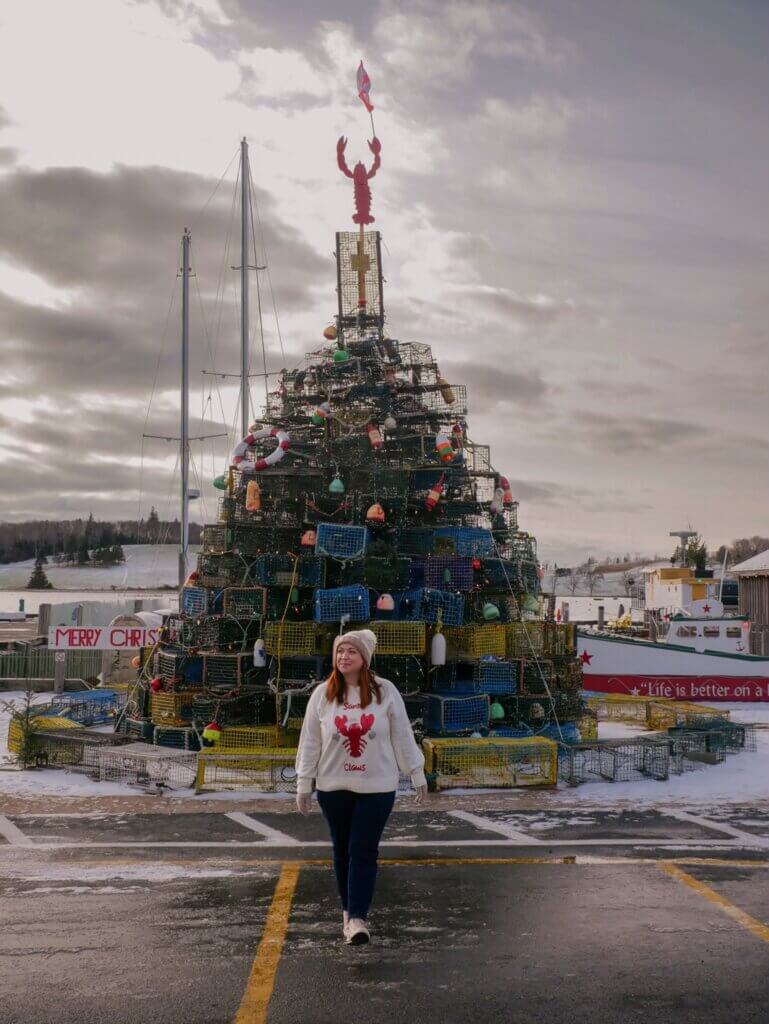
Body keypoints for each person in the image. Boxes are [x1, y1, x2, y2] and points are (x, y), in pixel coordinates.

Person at [295, 628, 428, 945]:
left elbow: (401, 734)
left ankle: (357, 917)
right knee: (342, 850)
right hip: (333, 785)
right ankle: (348, 911)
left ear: (364, 658)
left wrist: (416, 770)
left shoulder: (385, 691)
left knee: (363, 849)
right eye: (340, 652)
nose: (344, 657)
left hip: (377, 785)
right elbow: (310, 741)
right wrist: (304, 781)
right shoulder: (323, 694)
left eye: (351, 652)